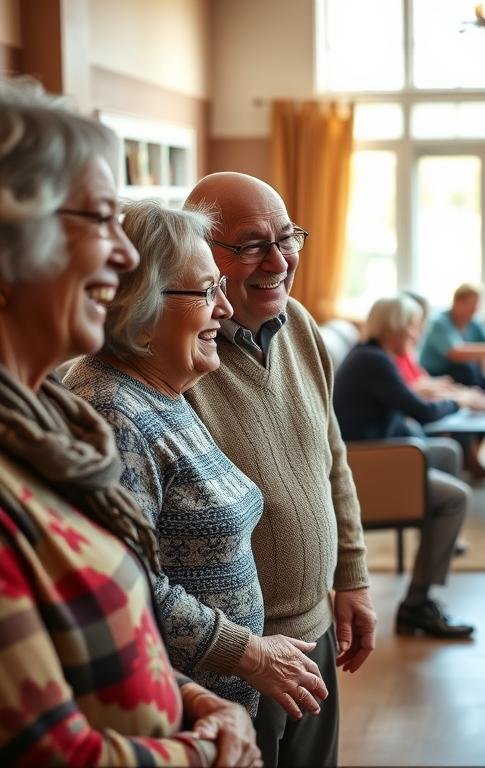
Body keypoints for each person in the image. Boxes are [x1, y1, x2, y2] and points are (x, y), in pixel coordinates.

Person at [0, 78, 259, 766]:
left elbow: (112, 634)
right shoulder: (95, 413)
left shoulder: (49, 429)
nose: (123, 256)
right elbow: (43, 747)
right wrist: (208, 753)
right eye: (98, 219)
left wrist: (203, 701)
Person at [65, 200, 328, 721]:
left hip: (221, 697)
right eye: (208, 291)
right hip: (175, 713)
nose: (225, 309)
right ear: (138, 309)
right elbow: (123, 585)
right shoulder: (112, 413)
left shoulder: (163, 393)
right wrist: (249, 653)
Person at [184, 172, 376, 768]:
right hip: (234, 650)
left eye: (287, 237)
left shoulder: (301, 325)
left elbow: (331, 455)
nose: (278, 260)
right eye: (250, 244)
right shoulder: (178, 352)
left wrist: (352, 572)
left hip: (313, 626)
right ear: (198, 252)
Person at [334, 295, 476, 638]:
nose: (417, 334)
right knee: (457, 497)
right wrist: (458, 401)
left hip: (379, 457)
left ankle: (435, 534)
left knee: (448, 452)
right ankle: (416, 605)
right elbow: (422, 412)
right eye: (413, 327)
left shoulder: (372, 356)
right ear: (394, 327)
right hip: (367, 471)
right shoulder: (374, 362)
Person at [396, 289, 485, 479]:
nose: (419, 333)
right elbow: (411, 391)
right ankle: (469, 460)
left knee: (471, 393)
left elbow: (420, 379)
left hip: (424, 398)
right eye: (416, 324)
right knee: (464, 401)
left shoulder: (404, 350)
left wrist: (456, 391)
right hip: (414, 412)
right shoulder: (387, 356)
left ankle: (470, 459)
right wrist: (459, 398)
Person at [419, 282, 485, 393]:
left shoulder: (474, 321)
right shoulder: (439, 322)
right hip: (437, 374)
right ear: (457, 302)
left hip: (467, 374)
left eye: (477, 304)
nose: (475, 308)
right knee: (467, 368)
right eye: (471, 303)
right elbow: (455, 353)